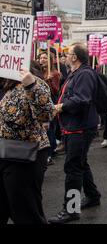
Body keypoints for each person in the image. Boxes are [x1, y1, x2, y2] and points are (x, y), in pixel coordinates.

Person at [48, 43, 101, 224]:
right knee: (80, 163)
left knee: (73, 168)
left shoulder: (84, 73)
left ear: (75, 57)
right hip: (74, 126)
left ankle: (71, 209)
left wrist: (61, 106)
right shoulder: (75, 73)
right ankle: (93, 196)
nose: (65, 55)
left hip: (80, 128)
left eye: (68, 53)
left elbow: (82, 99)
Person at [0, 63, 55, 224]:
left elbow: (47, 115)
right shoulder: (3, 83)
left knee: (25, 212)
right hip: (2, 152)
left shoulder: (32, 82)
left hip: (25, 154)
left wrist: (31, 86)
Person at [38, 51, 62, 165]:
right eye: (40, 58)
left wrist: (50, 81)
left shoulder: (55, 73)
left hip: (51, 101)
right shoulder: (39, 72)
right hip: (41, 102)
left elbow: (56, 90)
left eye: (44, 58)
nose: (42, 60)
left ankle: (51, 151)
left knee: (50, 127)